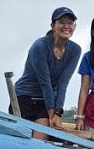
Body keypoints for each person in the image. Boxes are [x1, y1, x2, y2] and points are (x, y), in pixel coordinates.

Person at [12, 7, 82, 140]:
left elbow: (63, 82)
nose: (66, 26)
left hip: (45, 102)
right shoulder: (40, 46)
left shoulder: (75, 50)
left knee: (41, 137)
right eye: (61, 22)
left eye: (70, 23)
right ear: (53, 26)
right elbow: (45, 83)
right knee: (22, 140)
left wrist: (58, 113)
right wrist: (52, 114)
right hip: (24, 98)